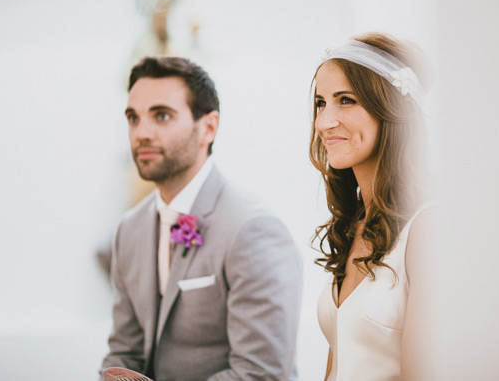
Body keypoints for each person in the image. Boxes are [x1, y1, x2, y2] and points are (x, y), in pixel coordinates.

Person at [100, 56, 302, 381]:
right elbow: (125, 352)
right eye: (133, 118)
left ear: (208, 127)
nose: (141, 133)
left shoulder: (253, 229)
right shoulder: (129, 229)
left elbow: (261, 373)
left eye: (161, 116)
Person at [311, 32, 435, 380]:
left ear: (393, 108)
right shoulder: (355, 223)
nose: (324, 122)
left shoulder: (426, 227)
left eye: (346, 100)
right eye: (321, 103)